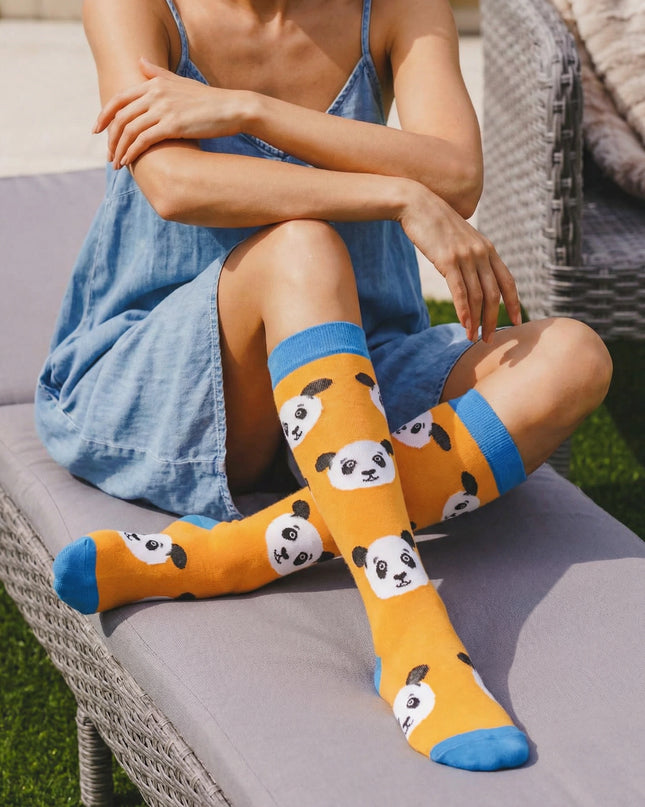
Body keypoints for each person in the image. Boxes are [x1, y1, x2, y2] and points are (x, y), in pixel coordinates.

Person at [37, 0, 612, 772]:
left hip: (355, 362)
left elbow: (455, 173)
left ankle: (231, 553)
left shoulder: (398, 8)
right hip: (168, 371)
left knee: (573, 357)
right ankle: (412, 639)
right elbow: (172, 181)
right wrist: (394, 192)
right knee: (301, 249)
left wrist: (249, 110)